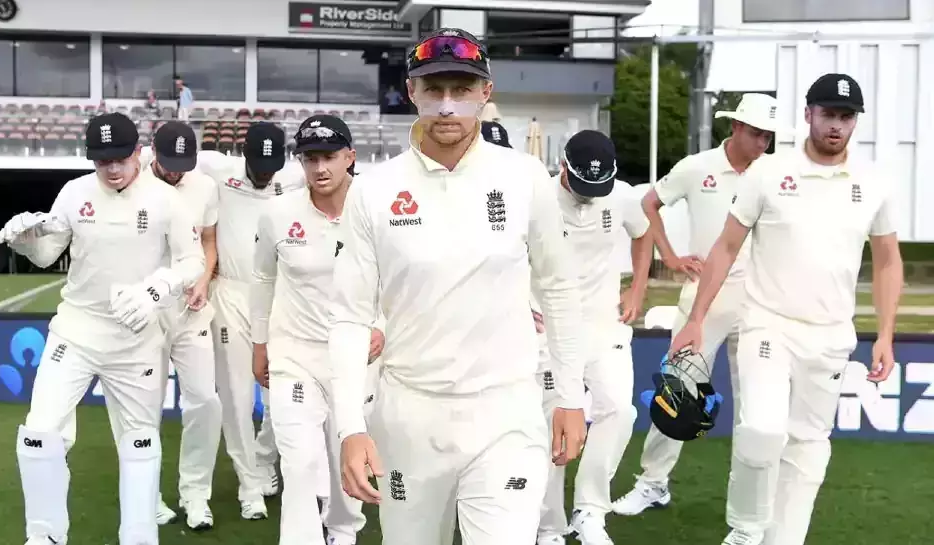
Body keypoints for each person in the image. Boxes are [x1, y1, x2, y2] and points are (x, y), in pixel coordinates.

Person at [329, 28, 587, 545]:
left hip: (506, 413)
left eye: (462, 89)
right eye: (434, 89)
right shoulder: (374, 190)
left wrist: (570, 394)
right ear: (412, 91)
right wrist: (350, 427)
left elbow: (559, 288)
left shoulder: (524, 178)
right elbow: (350, 316)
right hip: (410, 417)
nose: (447, 106)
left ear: (485, 92)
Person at [669, 73, 902, 545]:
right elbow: (726, 247)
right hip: (767, 325)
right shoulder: (769, 173)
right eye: (828, 114)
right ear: (808, 114)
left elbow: (888, 261)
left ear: (855, 122)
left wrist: (885, 334)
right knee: (761, 429)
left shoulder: (874, 183)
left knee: (808, 446)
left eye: (846, 117)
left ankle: (783, 538)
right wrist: (696, 319)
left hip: (830, 335)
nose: (836, 125)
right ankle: (745, 528)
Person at [0, 112, 204, 545]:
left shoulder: (167, 200)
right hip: (77, 330)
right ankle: (46, 536)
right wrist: (28, 242)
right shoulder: (74, 193)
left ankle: (139, 537)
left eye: (120, 159)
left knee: (140, 443)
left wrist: (154, 292)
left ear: (138, 152)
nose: (111, 169)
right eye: (101, 160)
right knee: (39, 434)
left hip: (136, 337)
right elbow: (48, 254)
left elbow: (192, 261)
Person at [612, 93, 779, 517]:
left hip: (761, 302)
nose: (762, 143)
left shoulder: (776, 174)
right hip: (704, 296)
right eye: (756, 133)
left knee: (755, 402)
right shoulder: (696, 167)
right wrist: (669, 257)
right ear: (735, 127)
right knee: (678, 389)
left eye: (768, 136)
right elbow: (649, 203)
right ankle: (653, 484)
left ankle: (752, 499)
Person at [251, 114, 383, 545]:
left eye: (329, 157)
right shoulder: (277, 213)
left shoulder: (376, 208)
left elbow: (399, 277)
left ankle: (342, 531)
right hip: (295, 356)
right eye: (310, 159)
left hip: (355, 357)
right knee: (299, 463)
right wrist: (259, 344)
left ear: (350, 157)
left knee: (348, 451)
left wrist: (383, 327)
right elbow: (263, 279)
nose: (320, 168)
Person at [535, 131, 653, 545]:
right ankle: (549, 527)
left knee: (619, 410)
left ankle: (589, 510)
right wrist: (518, 303)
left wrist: (637, 288)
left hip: (603, 320)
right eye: (583, 184)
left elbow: (643, 232)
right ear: (563, 168)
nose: (590, 195)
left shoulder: (621, 196)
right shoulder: (536, 198)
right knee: (550, 421)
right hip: (547, 326)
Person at [195, 121, 304, 520]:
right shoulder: (216, 169)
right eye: (258, 166)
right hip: (231, 293)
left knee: (283, 393)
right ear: (243, 155)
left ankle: (263, 458)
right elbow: (159, 160)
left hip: (280, 296)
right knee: (237, 396)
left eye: (271, 167)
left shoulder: (294, 176)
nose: (264, 174)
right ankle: (249, 485)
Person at [134, 122, 224, 530]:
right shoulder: (132, 183)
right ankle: (147, 494)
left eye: (183, 164)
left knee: (205, 401)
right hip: (147, 315)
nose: (175, 172)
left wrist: (203, 281)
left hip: (191, 309)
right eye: (169, 162)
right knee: (144, 407)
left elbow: (208, 240)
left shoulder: (203, 186)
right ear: (152, 151)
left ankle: (195, 494)